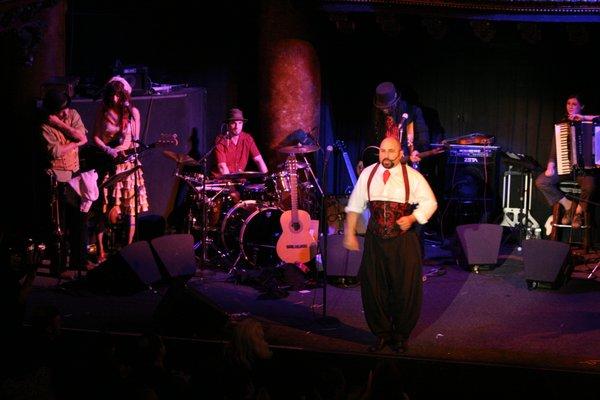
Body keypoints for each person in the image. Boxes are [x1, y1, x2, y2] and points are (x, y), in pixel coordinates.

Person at [344, 137, 437, 353]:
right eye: (383, 151)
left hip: (403, 240)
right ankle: (382, 334)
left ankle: (401, 335)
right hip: (375, 240)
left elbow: (430, 202)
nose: (386, 155)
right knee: (374, 288)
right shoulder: (368, 174)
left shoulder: (412, 177)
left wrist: (413, 219)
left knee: (405, 288)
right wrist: (349, 233)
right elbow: (354, 204)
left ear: (400, 153)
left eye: (391, 151)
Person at [40, 88, 97, 275]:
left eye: (66, 108)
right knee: (59, 224)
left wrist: (63, 126)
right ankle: (59, 267)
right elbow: (54, 152)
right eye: (60, 110)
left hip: (74, 174)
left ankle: (79, 262)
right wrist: (75, 141)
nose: (65, 112)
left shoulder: (72, 114)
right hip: (56, 178)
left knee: (80, 220)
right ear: (52, 112)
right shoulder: (45, 125)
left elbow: (83, 137)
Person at [93, 76, 149, 261]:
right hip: (109, 163)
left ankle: (128, 250)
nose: (116, 99)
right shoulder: (103, 111)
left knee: (130, 208)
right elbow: (96, 137)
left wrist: (131, 151)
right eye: (113, 95)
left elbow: (136, 141)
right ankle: (101, 250)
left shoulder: (133, 112)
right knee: (103, 207)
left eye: (119, 95)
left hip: (128, 164)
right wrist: (109, 150)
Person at [535, 94, 600, 229]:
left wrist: (582, 118)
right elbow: (554, 148)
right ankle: (568, 205)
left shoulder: (591, 122)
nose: (570, 106)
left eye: (574, 104)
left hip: (585, 170)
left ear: (581, 106)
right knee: (542, 181)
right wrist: (551, 165)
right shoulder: (562, 125)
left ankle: (578, 213)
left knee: (590, 186)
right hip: (566, 167)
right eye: (568, 103)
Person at [358, 82, 430, 174]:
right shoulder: (378, 115)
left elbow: (423, 138)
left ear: (395, 101)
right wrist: (362, 159)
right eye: (382, 107)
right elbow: (370, 139)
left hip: (405, 165)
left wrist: (417, 150)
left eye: (387, 107)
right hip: (383, 166)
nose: (384, 110)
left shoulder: (412, 112)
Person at [213, 108, 269, 177]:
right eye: (234, 123)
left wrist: (266, 178)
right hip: (220, 181)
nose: (237, 127)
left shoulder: (247, 139)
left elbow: (259, 160)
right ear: (228, 124)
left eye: (240, 123)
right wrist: (230, 184)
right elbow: (222, 167)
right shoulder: (220, 140)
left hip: (237, 181)